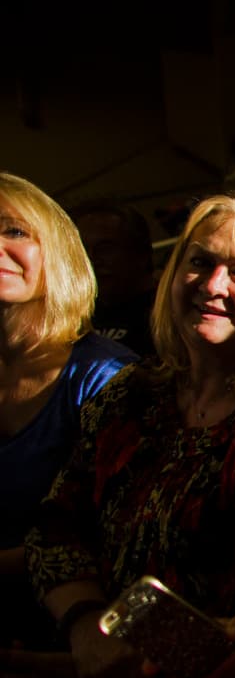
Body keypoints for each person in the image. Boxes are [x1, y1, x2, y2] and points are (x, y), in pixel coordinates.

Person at [23, 194, 235, 678]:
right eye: (199, 262)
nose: (212, 285)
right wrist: (88, 627)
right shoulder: (132, 392)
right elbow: (55, 526)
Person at [0, 174, 137, 646]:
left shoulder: (105, 375)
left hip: (87, 637)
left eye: (13, 231)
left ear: (55, 250)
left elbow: (116, 536)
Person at [69, 200, 157, 356]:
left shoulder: (170, 313)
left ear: (141, 253)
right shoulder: (74, 318)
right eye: (82, 251)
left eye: (105, 249)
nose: (91, 260)